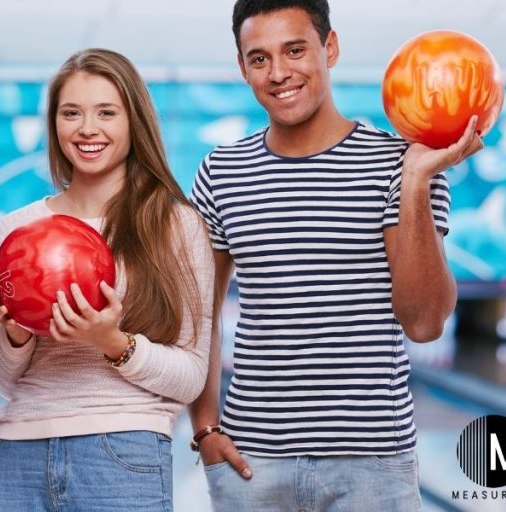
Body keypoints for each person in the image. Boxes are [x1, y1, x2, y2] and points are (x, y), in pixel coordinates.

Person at [188, 1, 483, 510]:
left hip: (373, 467)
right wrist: (205, 429)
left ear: (330, 47)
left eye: (295, 50)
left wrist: (416, 180)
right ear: (242, 67)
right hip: (251, 464)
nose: (278, 73)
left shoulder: (402, 165)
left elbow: (425, 323)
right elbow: (200, 314)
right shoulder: (221, 171)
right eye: (259, 58)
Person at [0, 48, 215, 511]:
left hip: (122, 454)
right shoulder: (14, 231)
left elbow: (191, 378)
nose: (87, 128)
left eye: (106, 112)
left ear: (134, 122)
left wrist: (112, 341)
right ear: (54, 124)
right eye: (71, 113)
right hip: (18, 454)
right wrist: (17, 334)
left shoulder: (175, 226)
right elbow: (4, 381)